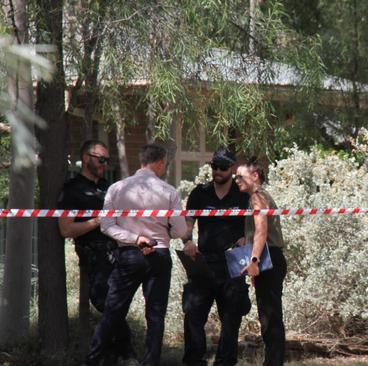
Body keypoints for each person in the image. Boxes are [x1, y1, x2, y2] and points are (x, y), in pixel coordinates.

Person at [83, 144, 187, 366]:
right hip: (158, 254)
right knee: (155, 315)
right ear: (159, 162)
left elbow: (106, 226)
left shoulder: (117, 189)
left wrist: (133, 238)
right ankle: (150, 362)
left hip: (129, 254)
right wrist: (162, 231)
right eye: (165, 164)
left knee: (112, 310)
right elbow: (180, 231)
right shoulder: (169, 192)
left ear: (142, 161)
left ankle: (91, 360)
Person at [57, 140, 136, 365]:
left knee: (116, 303)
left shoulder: (108, 187)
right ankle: (125, 351)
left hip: (119, 252)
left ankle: (112, 355)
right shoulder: (72, 189)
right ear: (87, 158)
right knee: (105, 301)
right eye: (101, 159)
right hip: (94, 255)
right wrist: (98, 222)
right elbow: (66, 229)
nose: (104, 164)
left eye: (107, 160)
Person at [181, 148, 251, 366]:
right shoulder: (199, 193)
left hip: (233, 262)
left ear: (232, 168)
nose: (217, 171)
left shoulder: (243, 195)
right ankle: (194, 361)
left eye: (222, 167)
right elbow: (187, 224)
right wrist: (187, 241)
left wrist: (246, 238)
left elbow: (258, 225)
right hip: (204, 262)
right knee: (192, 313)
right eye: (214, 166)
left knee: (231, 317)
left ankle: (225, 362)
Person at [236, 158, 287, 366]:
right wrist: (245, 241)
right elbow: (256, 232)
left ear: (255, 175)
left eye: (240, 176)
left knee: (270, 317)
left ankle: (273, 362)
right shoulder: (258, 197)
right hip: (268, 258)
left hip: (269, 258)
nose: (236, 180)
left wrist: (254, 260)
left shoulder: (257, 197)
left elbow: (262, 230)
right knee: (267, 315)